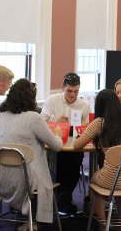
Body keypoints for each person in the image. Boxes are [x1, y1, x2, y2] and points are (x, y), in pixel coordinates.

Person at [0, 78, 64, 226]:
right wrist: (58, 135)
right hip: (26, 181)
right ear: (31, 99)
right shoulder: (33, 118)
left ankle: (22, 216)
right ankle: (34, 221)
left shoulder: (0, 115)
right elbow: (56, 146)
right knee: (52, 174)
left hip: (0, 177)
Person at [74, 89, 121, 227]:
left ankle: (103, 223)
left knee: (93, 184)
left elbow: (77, 145)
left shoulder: (100, 122)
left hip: (112, 178)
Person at [41, 72, 90, 214]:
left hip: (75, 144)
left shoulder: (84, 105)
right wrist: (56, 122)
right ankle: (64, 196)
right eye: (69, 91)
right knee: (60, 161)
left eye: (76, 91)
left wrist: (76, 127)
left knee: (74, 161)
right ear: (63, 88)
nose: (72, 94)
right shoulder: (52, 100)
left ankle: (65, 195)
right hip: (55, 144)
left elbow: (88, 129)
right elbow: (41, 122)